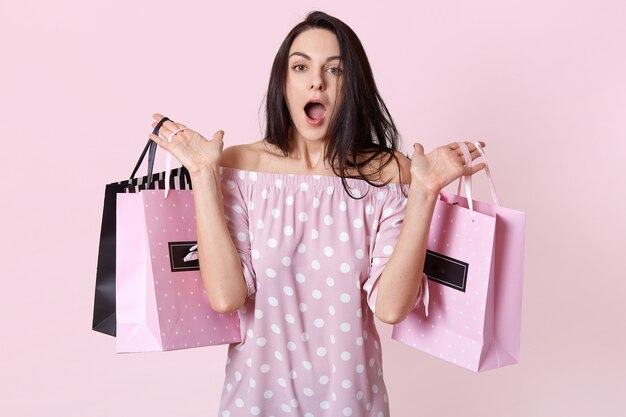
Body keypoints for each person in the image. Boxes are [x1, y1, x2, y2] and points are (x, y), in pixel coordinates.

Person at [148, 10, 485, 417]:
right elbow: (226, 297)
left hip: (351, 404)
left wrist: (425, 190)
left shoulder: (388, 174)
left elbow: (391, 307)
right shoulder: (239, 168)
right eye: (301, 66)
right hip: (255, 404)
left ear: (352, 85)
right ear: (284, 83)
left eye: (334, 70)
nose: (316, 81)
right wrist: (203, 174)